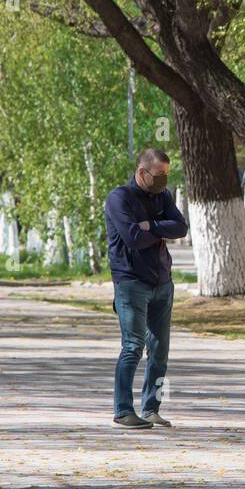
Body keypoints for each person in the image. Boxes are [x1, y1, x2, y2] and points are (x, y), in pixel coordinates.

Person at [105, 148, 188, 429]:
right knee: (133, 347)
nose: (164, 180)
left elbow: (181, 227)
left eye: (167, 174)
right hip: (130, 283)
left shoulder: (162, 197)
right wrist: (158, 230)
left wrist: (151, 224)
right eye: (159, 174)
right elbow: (132, 238)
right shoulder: (120, 198)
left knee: (159, 350)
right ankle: (123, 410)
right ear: (142, 172)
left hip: (162, 283)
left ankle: (151, 408)